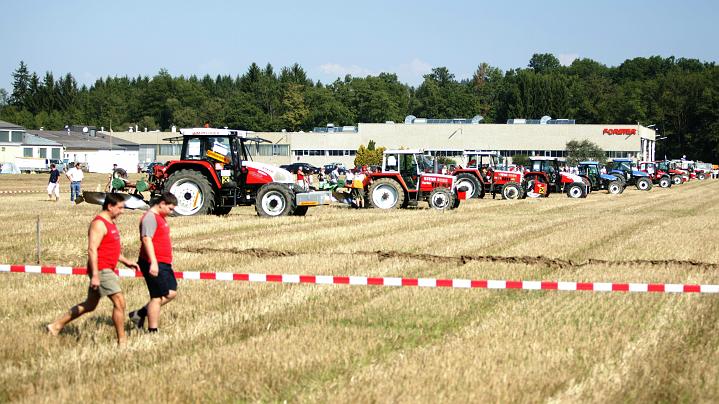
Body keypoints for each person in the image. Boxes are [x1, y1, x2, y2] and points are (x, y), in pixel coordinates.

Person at [47, 194, 139, 346]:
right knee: (120, 302)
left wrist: (126, 261)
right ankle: (122, 341)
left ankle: (55, 326)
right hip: (101, 269)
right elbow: (92, 249)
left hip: (107, 268)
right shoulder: (99, 224)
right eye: (120, 208)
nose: (122, 211)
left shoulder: (110, 222)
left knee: (90, 305)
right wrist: (95, 274)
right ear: (110, 206)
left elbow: (109, 248)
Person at [129, 192, 178, 333]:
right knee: (156, 297)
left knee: (171, 292)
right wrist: (154, 262)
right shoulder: (150, 218)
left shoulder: (160, 217)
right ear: (162, 204)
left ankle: (139, 314)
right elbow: (146, 239)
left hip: (163, 262)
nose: (171, 212)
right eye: (170, 208)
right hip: (153, 262)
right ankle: (152, 331)